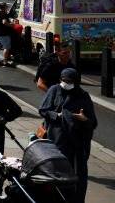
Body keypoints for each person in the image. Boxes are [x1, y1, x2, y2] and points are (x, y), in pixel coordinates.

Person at [39, 68, 97, 203]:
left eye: (69, 81)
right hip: (56, 140)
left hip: (75, 144)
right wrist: (58, 115)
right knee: (55, 173)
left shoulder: (83, 96)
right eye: (63, 80)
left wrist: (84, 119)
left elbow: (92, 122)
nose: (66, 83)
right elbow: (43, 110)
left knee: (74, 176)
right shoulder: (54, 90)